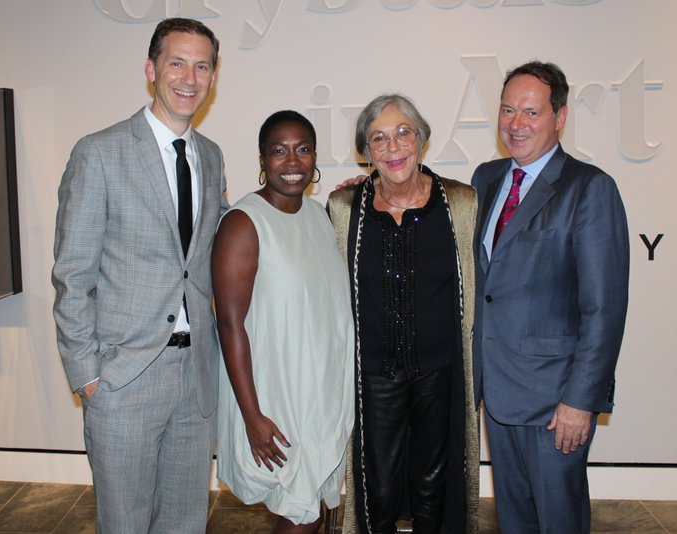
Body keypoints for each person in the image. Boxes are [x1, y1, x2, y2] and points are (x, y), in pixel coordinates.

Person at [51, 18, 227, 533]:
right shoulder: (99, 152)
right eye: (177, 62)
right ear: (151, 69)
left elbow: (215, 248)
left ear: (213, 76)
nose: (189, 78)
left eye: (202, 65)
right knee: (125, 524)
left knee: (185, 521)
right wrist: (88, 375)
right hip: (123, 377)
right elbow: (72, 273)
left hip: (196, 377)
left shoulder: (211, 157)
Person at [472, 61, 630, 533]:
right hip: (497, 394)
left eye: (530, 112)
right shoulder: (487, 177)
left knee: (558, 521)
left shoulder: (589, 188)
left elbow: (603, 310)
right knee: (515, 521)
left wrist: (581, 402)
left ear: (559, 118)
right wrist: (370, 186)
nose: (515, 124)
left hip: (555, 404)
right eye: (506, 110)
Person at [327, 94, 480, 534]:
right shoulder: (344, 210)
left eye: (402, 134)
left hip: (439, 373)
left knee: (435, 487)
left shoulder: (461, 204)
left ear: (421, 140)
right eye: (379, 138)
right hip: (374, 376)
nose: (393, 148)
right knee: (376, 492)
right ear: (366, 152)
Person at [212, 110, 355, 534]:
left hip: (318, 392)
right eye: (279, 151)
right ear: (261, 160)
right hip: (276, 396)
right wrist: (252, 415)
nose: (292, 162)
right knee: (299, 512)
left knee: (308, 509)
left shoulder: (318, 216)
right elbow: (229, 325)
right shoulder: (244, 223)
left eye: (303, 149)